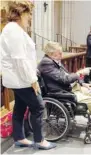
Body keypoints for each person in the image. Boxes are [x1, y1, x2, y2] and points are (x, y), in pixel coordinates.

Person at [0, 1, 56, 150]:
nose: (30, 17)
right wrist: (33, 80)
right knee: (38, 107)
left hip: (19, 79)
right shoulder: (13, 30)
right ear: (21, 12)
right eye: (29, 13)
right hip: (22, 80)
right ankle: (39, 140)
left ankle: (20, 137)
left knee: (19, 107)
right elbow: (20, 60)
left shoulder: (14, 29)